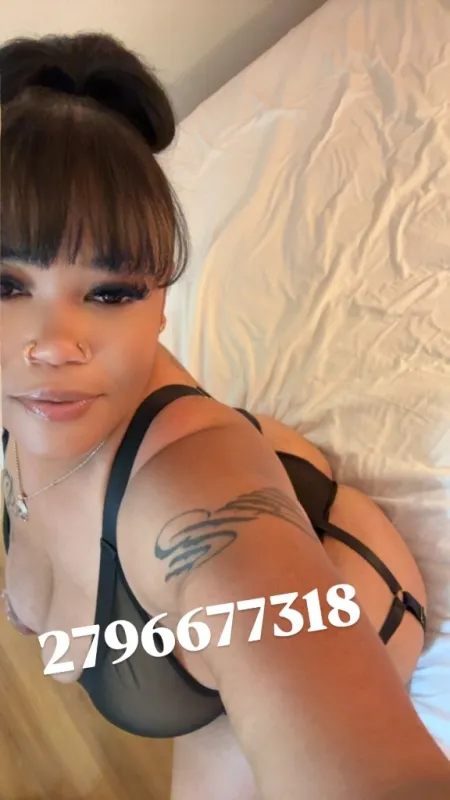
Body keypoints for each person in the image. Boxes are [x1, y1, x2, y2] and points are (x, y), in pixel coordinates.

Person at [1, 32, 449, 800]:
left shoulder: (192, 496)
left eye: (110, 293)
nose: (53, 346)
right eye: (6, 285)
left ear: (159, 309)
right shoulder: (33, 390)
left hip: (357, 582)